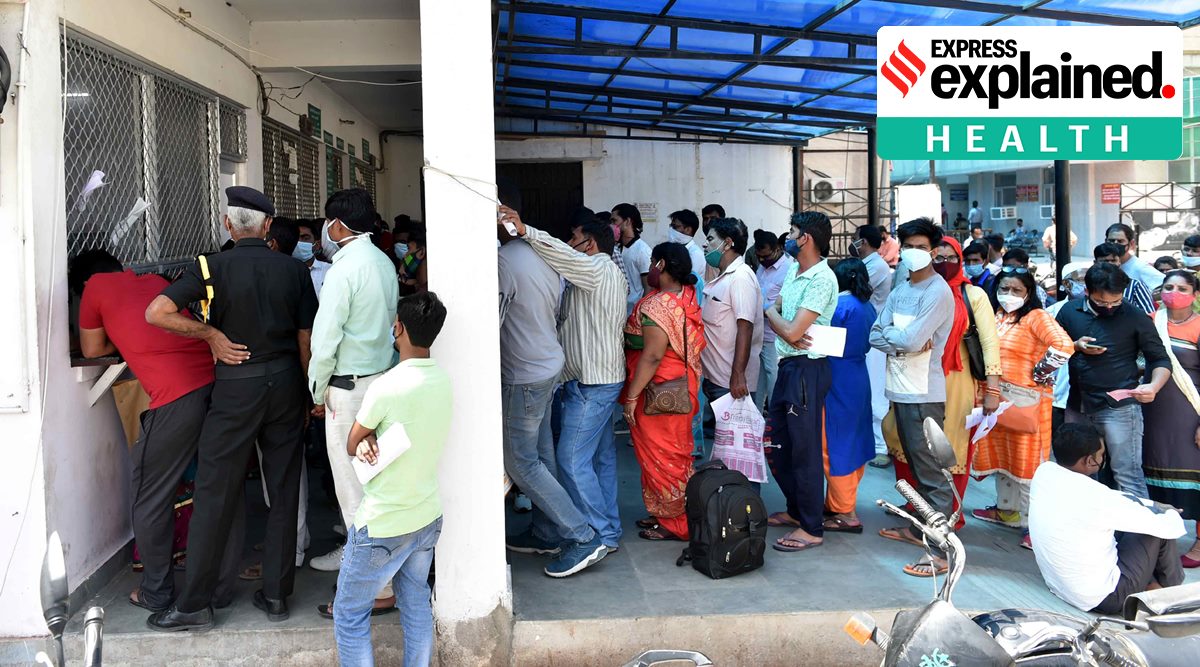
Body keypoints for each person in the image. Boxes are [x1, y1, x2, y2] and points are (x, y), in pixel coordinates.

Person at [146, 186, 318, 630]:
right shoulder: (294, 270)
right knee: (283, 488)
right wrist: (308, 394)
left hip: (236, 387)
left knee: (214, 491)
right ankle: (277, 595)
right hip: (285, 383)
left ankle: (194, 604)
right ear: (267, 226)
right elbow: (305, 339)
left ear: (228, 224)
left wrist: (211, 336)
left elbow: (157, 312)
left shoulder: (210, 267)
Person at [72, 250, 214, 613]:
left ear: (84, 282)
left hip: (176, 397)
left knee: (149, 496)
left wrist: (115, 331)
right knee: (217, 487)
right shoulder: (152, 281)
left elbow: (93, 348)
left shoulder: (95, 287)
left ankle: (156, 591)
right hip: (214, 384)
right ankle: (217, 587)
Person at [500, 204, 627, 557]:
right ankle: (608, 530)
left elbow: (562, 255)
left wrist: (526, 232)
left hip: (593, 383)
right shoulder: (599, 272)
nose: (568, 244)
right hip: (593, 379)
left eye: (573, 238)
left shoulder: (597, 269)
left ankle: (596, 536)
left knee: (571, 461)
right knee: (599, 460)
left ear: (589, 244)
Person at [332, 292, 451, 666]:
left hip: (384, 523)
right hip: (426, 516)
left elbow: (351, 443)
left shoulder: (387, 386)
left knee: (350, 614)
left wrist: (366, 438)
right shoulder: (443, 380)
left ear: (397, 328)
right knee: (416, 603)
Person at [306, 189, 401, 618]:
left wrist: (315, 390)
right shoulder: (382, 262)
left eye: (328, 223)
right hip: (381, 382)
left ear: (338, 226)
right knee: (378, 484)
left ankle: (375, 588)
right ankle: (382, 576)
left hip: (348, 391)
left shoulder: (343, 270)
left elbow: (325, 339)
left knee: (354, 491)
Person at [886, 237, 1001, 542]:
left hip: (955, 380)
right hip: (912, 375)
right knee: (905, 440)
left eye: (952, 258)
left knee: (947, 448)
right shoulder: (914, 290)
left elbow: (989, 343)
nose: (945, 264)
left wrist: (992, 390)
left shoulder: (973, 295)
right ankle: (918, 509)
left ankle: (946, 519)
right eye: (939, 257)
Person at [871, 218, 956, 577]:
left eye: (921, 247)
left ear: (934, 251)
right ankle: (918, 530)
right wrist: (901, 339)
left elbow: (907, 339)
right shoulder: (901, 287)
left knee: (932, 475)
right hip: (900, 391)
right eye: (908, 247)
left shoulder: (938, 291)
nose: (914, 253)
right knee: (917, 471)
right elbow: (875, 334)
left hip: (923, 394)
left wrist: (898, 338)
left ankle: (940, 551)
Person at [1029, 422, 1185, 615]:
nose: (1103, 458)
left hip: (1060, 586)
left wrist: (1153, 505)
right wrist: (1169, 513)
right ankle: (1171, 598)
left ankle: (1152, 586)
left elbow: (1119, 500)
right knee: (1160, 528)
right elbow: (1169, 527)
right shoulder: (1097, 496)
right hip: (1106, 598)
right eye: (1102, 454)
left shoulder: (1043, 473)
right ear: (1089, 461)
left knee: (1138, 520)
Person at [971, 269, 1073, 549]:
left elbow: (1063, 345)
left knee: (1028, 464)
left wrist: (1040, 374)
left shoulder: (1036, 317)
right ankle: (1008, 511)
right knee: (1004, 458)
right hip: (996, 398)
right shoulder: (996, 315)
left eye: (1017, 290)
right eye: (1004, 289)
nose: (1009, 295)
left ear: (1029, 294)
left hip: (1025, 400)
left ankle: (1035, 527)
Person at [1055, 263, 1172, 499]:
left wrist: (1153, 386)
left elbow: (1160, 359)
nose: (1109, 307)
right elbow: (1051, 348)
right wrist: (1074, 346)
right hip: (1078, 403)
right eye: (1101, 302)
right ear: (1086, 291)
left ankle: (1137, 523)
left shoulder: (1135, 316)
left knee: (1127, 473)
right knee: (1078, 471)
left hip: (1120, 407)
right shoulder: (1068, 312)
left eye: (1115, 302)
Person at [763, 212, 839, 552]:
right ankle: (796, 509)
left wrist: (772, 315)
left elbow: (793, 330)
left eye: (792, 232)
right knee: (779, 444)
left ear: (805, 237)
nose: (788, 238)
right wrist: (778, 318)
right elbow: (784, 317)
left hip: (808, 369)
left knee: (804, 449)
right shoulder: (795, 270)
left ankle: (811, 526)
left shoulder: (822, 278)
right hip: (789, 365)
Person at [620, 243, 705, 541]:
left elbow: (653, 355)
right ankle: (664, 511)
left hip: (659, 389)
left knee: (661, 455)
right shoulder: (687, 295)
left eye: (653, 262)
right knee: (674, 454)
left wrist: (632, 397)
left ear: (662, 265)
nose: (650, 268)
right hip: (683, 384)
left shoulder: (657, 306)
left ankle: (675, 523)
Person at [1141, 270, 1200, 568]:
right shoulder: (1151, 321)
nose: (1173, 293)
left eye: (1182, 288)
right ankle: (1161, 541)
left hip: (1190, 414)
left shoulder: (1198, 326)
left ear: (1195, 295)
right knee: (1154, 474)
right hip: (1153, 412)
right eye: (1168, 287)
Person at [819, 258, 877, 534]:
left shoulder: (839, 306)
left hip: (836, 376)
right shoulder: (867, 306)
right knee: (854, 442)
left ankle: (845, 511)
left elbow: (819, 340)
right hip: (857, 375)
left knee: (833, 443)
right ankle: (839, 502)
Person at [701, 219, 763, 406]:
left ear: (727, 243)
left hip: (729, 382)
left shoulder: (740, 277)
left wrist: (738, 375)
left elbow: (745, 327)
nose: (705, 244)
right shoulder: (724, 276)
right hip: (716, 378)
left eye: (710, 239)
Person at [852, 224, 893, 467]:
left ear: (864, 242)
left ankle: (881, 446)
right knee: (864, 388)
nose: (853, 243)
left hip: (875, 334)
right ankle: (870, 440)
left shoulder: (877, 266)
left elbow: (856, 291)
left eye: (855, 239)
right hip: (864, 333)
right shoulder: (867, 264)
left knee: (876, 390)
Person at [753, 229, 794, 413]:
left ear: (777, 249)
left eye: (766, 256)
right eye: (759, 256)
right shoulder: (762, 267)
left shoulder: (789, 269)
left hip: (774, 334)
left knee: (773, 377)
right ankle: (756, 415)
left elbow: (786, 304)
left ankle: (775, 416)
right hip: (759, 332)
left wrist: (765, 310)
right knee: (759, 377)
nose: (762, 260)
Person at [1093, 243, 1155, 315]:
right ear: (1095, 263)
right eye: (1105, 261)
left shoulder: (1135, 286)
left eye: (1113, 260)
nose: (1110, 264)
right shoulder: (1089, 285)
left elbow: (1149, 315)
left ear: (1119, 262)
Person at [613, 203, 652, 314]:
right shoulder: (616, 248)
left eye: (614, 221)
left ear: (627, 221)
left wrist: (640, 314)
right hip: (618, 311)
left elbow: (648, 287)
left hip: (633, 312)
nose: (612, 225)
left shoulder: (642, 250)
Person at [1106, 222, 1165, 289]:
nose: (1115, 244)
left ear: (1131, 243)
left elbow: (1165, 286)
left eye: (1120, 241)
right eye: (1111, 241)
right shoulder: (1103, 264)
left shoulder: (1141, 268)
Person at [668, 209, 706, 287]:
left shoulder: (696, 254)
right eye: (671, 226)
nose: (671, 230)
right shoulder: (673, 250)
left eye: (676, 227)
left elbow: (685, 282)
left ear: (688, 230)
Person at [295, 219, 332, 296]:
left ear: (317, 245)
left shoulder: (329, 271)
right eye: (295, 238)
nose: (299, 242)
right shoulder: (285, 272)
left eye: (305, 238)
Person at [398, 226, 428, 295]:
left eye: (408, 248)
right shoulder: (422, 288)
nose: (405, 255)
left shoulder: (424, 294)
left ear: (422, 251)